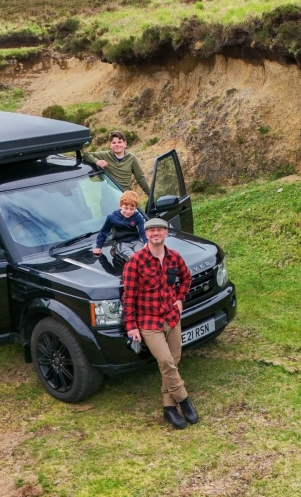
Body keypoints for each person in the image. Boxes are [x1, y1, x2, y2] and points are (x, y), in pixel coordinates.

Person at [121, 217, 196, 430]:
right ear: (146, 234)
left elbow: (187, 278)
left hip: (171, 317)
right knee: (165, 361)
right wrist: (131, 326)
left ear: (166, 233)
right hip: (148, 321)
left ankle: (168, 408)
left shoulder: (174, 257)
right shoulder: (135, 261)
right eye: (151, 230)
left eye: (160, 230)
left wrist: (180, 298)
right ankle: (184, 401)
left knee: (174, 359)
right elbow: (128, 296)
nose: (156, 233)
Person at [83, 131, 151, 195]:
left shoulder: (132, 158)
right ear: (110, 145)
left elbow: (140, 178)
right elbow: (86, 155)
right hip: (108, 195)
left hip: (124, 195)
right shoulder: (105, 155)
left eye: (119, 142)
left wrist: (150, 195)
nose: (117, 144)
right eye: (114, 143)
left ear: (125, 144)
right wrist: (97, 161)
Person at [92, 190, 147, 257]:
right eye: (126, 208)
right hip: (121, 243)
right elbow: (104, 232)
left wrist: (147, 242)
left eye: (131, 209)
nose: (128, 211)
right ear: (120, 206)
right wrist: (98, 246)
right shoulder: (112, 217)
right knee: (132, 258)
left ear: (135, 208)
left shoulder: (137, 217)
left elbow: (143, 231)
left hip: (136, 241)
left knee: (144, 255)